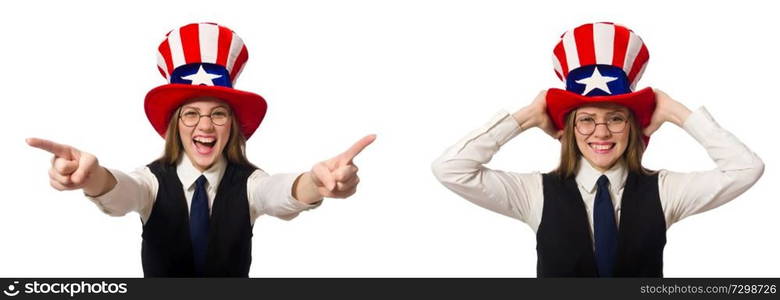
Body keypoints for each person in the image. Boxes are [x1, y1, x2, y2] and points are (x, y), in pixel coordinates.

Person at [27, 22, 375, 277]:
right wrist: (92, 178)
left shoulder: (250, 183)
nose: (205, 126)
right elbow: (122, 192)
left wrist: (316, 182)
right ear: (176, 126)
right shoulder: (151, 181)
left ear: (232, 126)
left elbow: (279, 193)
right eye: (191, 114)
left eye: (218, 114)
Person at [431, 22, 764, 277]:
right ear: (570, 129)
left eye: (616, 118)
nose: (601, 132)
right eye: (586, 120)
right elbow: (451, 169)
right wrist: (525, 118)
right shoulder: (534, 193)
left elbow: (745, 169)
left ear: (632, 127)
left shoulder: (665, 191)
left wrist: (676, 112)